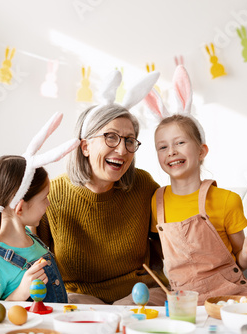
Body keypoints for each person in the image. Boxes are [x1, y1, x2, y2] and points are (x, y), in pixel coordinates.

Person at [35, 70, 168, 305]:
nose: (122, 150)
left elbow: (172, 242)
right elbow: (31, 259)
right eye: (111, 137)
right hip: (78, 300)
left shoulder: (144, 185)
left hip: (139, 296)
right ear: (85, 146)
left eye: (129, 140)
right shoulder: (51, 195)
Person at [146, 65, 247, 304]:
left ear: (202, 151)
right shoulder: (157, 201)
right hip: (183, 304)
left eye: (180, 142)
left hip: (229, 300)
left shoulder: (227, 200)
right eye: (162, 147)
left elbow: (241, 262)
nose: (171, 151)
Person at [0, 112, 78, 302]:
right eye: (44, 198)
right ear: (20, 208)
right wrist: (21, 292)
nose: (48, 203)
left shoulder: (33, 239)